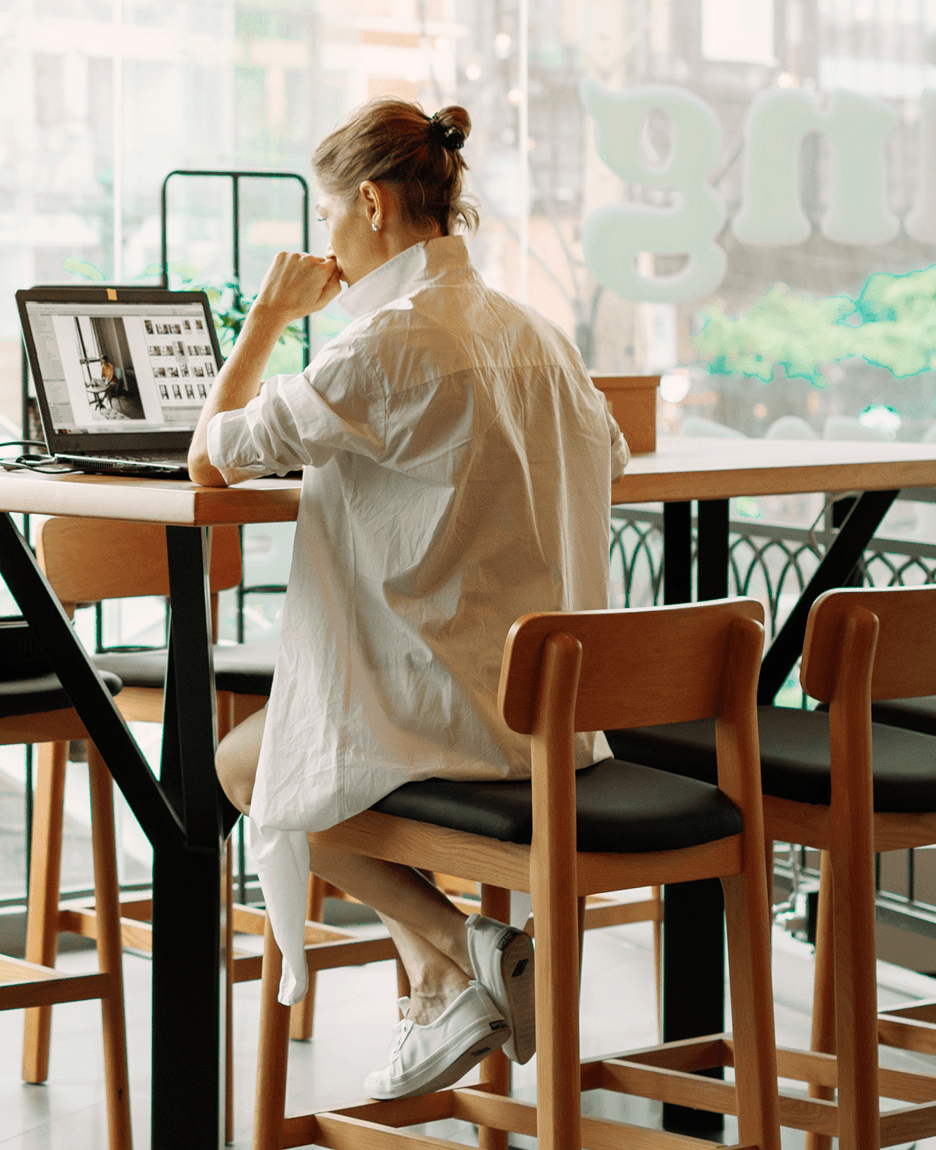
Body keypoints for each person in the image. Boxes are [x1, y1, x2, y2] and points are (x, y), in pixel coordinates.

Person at [191, 98, 626, 1100]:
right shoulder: (540, 336)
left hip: (441, 724)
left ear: (373, 204)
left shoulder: (376, 347)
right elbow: (613, 453)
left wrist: (264, 321)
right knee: (298, 748)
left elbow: (208, 462)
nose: (326, 241)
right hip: (556, 724)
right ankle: (444, 976)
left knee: (253, 765)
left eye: (328, 215)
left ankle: (457, 945)